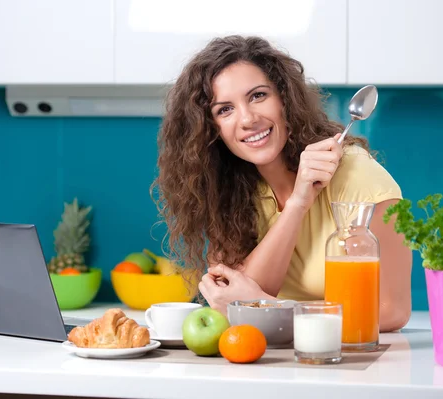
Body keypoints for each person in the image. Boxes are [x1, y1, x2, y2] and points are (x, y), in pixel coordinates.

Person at [151, 35, 412, 332]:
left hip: (350, 360)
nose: (247, 119)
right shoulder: (228, 191)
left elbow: (391, 311)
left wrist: (273, 309)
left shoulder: (357, 176)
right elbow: (232, 302)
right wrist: (298, 204)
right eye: (225, 109)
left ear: (285, 99)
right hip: (267, 356)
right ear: (212, 131)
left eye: (258, 96)